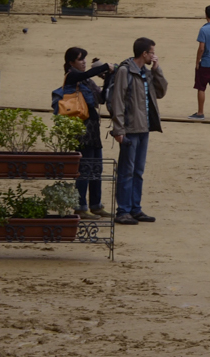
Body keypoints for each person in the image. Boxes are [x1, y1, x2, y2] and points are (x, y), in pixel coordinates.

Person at [106, 36, 166, 226]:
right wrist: (118, 129)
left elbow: (161, 92)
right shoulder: (125, 71)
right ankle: (123, 210)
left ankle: (135, 208)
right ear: (144, 53)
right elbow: (118, 100)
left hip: (144, 128)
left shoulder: (146, 72)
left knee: (138, 171)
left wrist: (157, 70)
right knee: (127, 171)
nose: (154, 56)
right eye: (152, 53)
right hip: (130, 129)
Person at [58, 47, 112, 219]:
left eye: (84, 59)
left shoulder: (88, 81)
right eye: (80, 59)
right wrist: (104, 67)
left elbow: (101, 98)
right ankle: (81, 206)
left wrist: (109, 76)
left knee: (97, 167)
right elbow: (86, 74)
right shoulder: (72, 77)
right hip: (82, 128)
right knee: (85, 168)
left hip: (93, 127)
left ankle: (96, 205)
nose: (83, 62)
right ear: (71, 62)